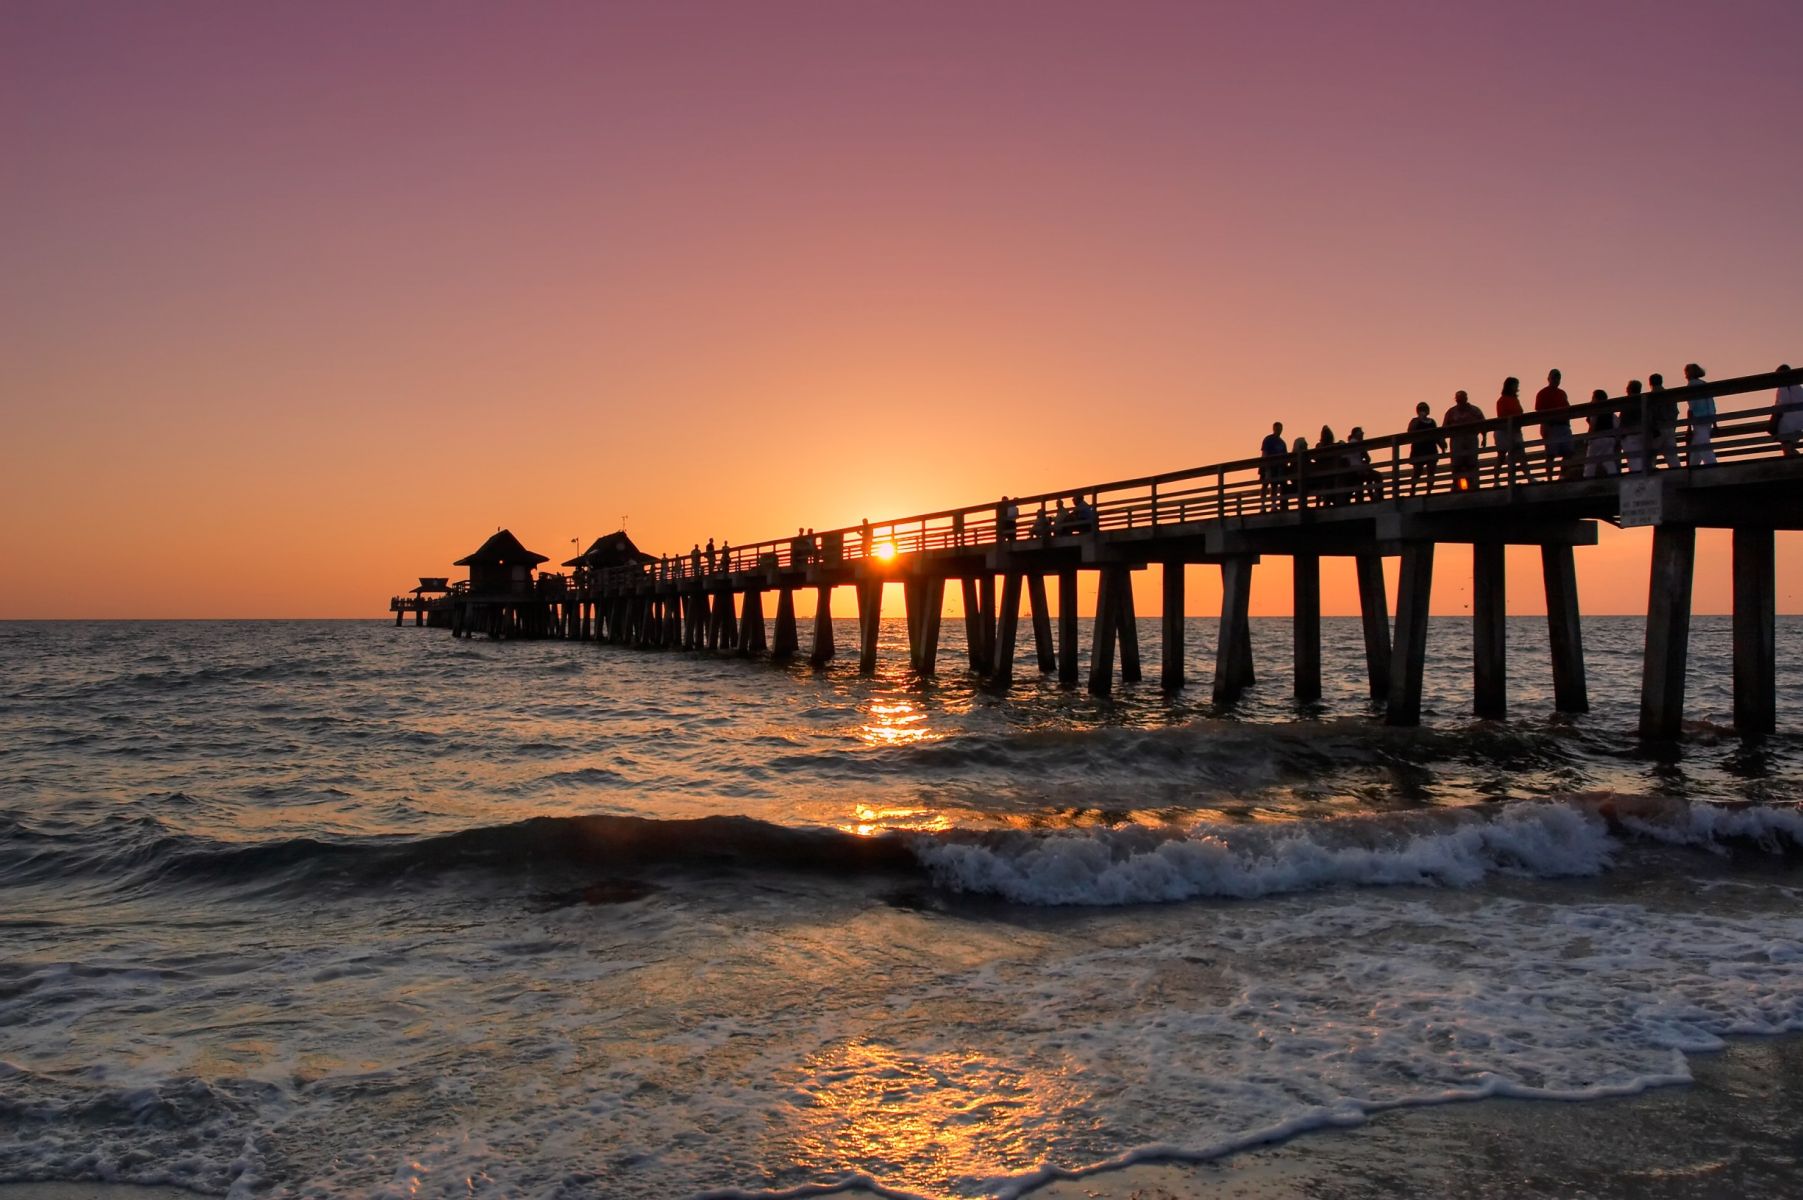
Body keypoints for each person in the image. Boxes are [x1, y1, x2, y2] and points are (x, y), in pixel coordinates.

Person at [1534, 369, 1573, 481]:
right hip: (1551, 427)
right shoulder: (1542, 393)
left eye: (1558, 377)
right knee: (1551, 455)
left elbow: (1568, 408)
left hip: (1564, 426)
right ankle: (1549, 479)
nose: (1556, 380)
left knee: (1568, 452)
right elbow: (1539, 412)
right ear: (1549, 378)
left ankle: (1562, 476)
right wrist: (1544, 426)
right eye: (1554, 377)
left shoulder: (1562, 393)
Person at [1443, 391, 1484, 491]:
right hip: (1456, 441)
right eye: (1458, 398)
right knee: (1456, 465)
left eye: (1462, 397)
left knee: (1472, 463)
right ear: (1456, 399)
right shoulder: (1451, 412)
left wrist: (1484, 437)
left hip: (1471, 440)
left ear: (1466, 398)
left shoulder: (1475, 410)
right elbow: (1444, 428)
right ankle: (1456, 486)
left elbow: (1483, 423)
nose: (1460, 399)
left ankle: (1474, 485)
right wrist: (1442, 441)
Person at [1493, 377, 1530, 487]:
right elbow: (1503, 415)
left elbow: (1520, 412)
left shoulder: (1515, 399)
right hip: (1504, 431)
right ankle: (1496, 480)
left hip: (1516, 431)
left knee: (1521, 455)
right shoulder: (1502, 400)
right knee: (1501, 456)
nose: (1516, 388)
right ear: (1509, 386)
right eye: (1515, 385)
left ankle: (1528, 477)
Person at [1681, 363, 1716, 467]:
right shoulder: (1704, 384)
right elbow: (1712, 405)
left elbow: (1691, 408)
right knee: (1698, 444)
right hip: (1709, 418)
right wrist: (1715, 424)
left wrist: (1688, 427)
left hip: (1698, 418)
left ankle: (1712, 467)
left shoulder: (1691, 385)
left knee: (1703, 445)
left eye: (1686, 373)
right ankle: (1692, 467)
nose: (1685, 375)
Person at [1646, 373, 1682, 470]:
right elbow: (1675, 412)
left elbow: (1649, 414)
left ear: (1650, 383)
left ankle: (1649, 471)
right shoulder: (1670, 395)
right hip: (1670, 427)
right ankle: (1678, 473)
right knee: (1672, 455)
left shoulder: (1649, 397)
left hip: (1657, 428)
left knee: (1651, 453)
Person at [1406, 401, 1442, 494]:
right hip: (1419, 449)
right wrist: (1419, 419)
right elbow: (1410, 432)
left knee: (1431, 470)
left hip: (1431, 449)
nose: (1423, 411)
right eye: (1421, 409)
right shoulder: (1414, 421)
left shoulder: (1432, 421)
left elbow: (1436, 434)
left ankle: (1429, 491)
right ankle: (1413, 489)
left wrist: (1441, 445)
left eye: (1425, 409)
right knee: (1417, 471)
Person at [1582, 393, 1618, 477]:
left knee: (1590, 462)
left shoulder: (1595, 409)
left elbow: (1593, 425)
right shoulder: (1610, 412)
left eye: (1593, 398)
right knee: (1609, 461)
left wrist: (1588, 438)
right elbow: (1616, 425)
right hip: (1610, 438)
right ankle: (1614, 476)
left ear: (1596, 399)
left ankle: (1587, 479)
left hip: (1598, 438)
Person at [1773, 364, 1803, 457]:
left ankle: (1792, 460)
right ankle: (1794, 456)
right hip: (1799, 422)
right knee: (1789, 445)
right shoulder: (1798, 387)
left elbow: (1783, 402)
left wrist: (1775, 407)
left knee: (1785, 445)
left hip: (1787, 422)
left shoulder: (1783, 386)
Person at [1345, 427, 1381, 502]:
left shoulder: (1349, 444)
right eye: (1360, 432)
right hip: (1358, 470)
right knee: (1377, 476)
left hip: (1351, 470)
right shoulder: (1358, 443)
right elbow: (1368, 458)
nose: (1362, 433)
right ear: (1355, 434)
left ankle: (1369, 497)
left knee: (1367, 478)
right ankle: (1377, 497)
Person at [1619, 380, 1647, 473]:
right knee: (1642, 458)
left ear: (1630, 389)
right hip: (1642, 433)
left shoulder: (1628, 402)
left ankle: (1637, 477)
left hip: (1630, 435)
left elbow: (1623, 420)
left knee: (1633, 460)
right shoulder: (1644, 400)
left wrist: (1620, 435)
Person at [1260, 421, 1287, 507]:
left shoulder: (1282, 443)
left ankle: (1273, 504)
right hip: (1267, 465)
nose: (1279, 430)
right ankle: (1262, 505)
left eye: (1280, 429)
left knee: (1274, 485)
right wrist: (1265, 466)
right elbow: (1264, 452)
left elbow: (1285, 456)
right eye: (1277, 428)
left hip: (1277, 466)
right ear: (1274, 429)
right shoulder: (1268, 439)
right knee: (1265, 485)